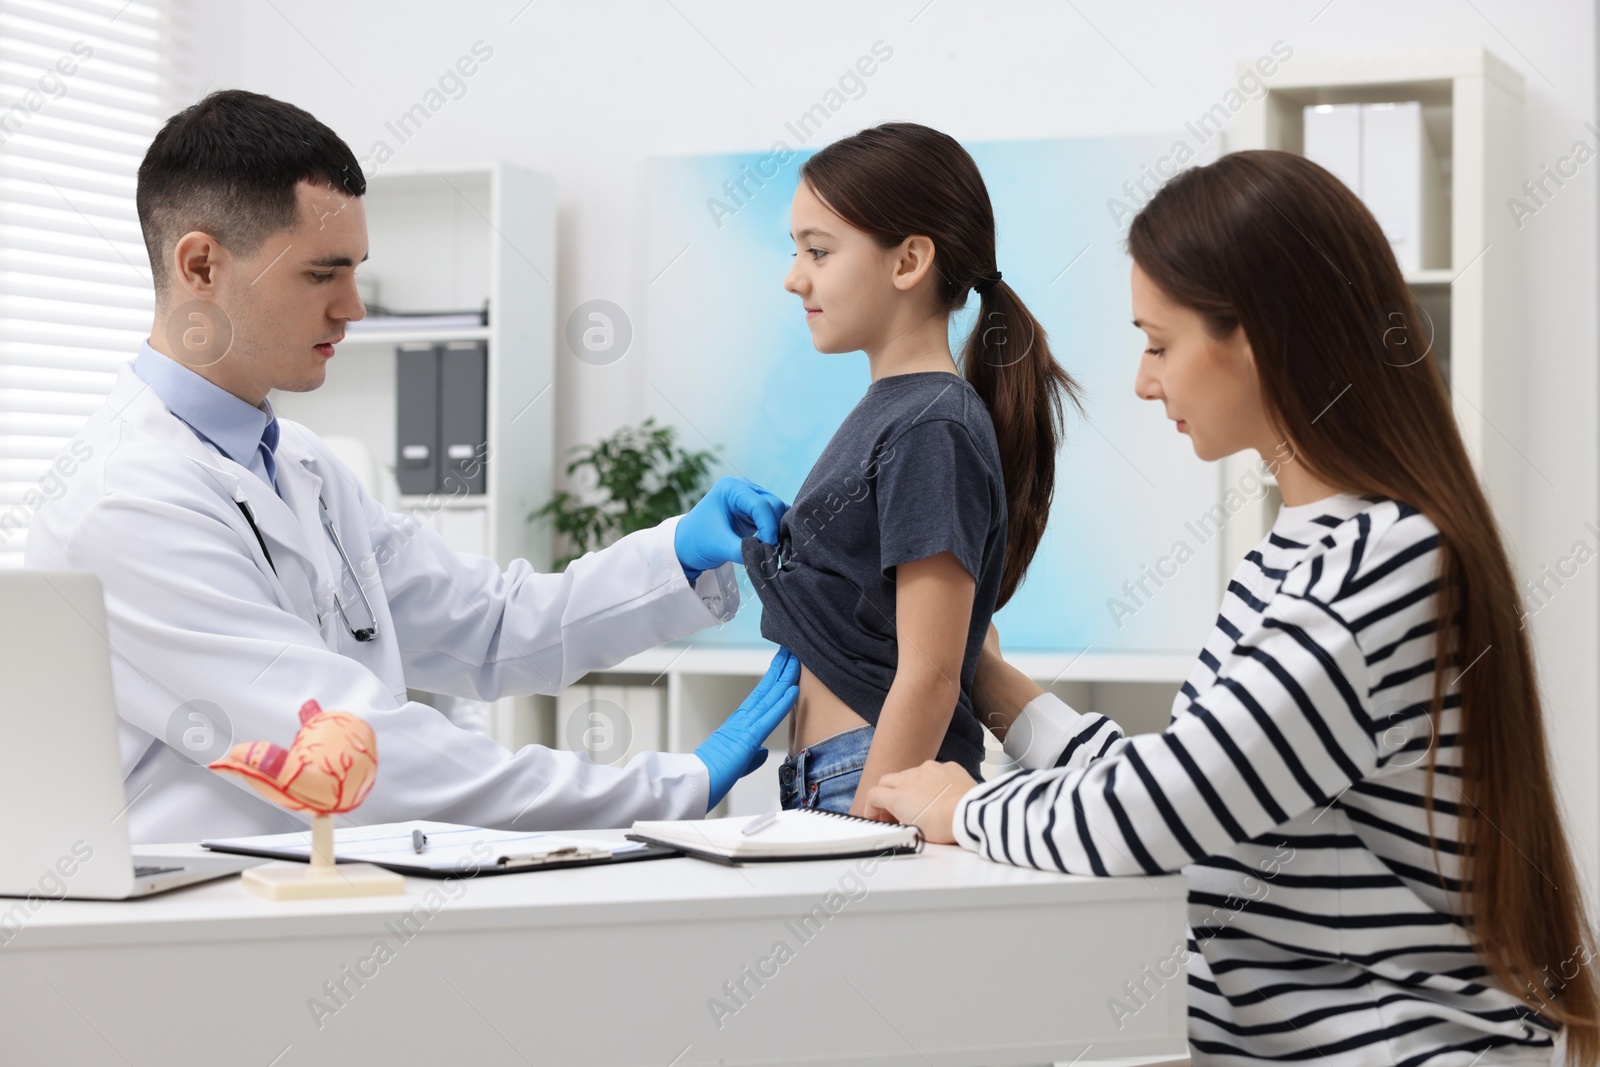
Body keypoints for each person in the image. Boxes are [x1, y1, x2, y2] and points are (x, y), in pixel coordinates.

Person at [868, 150, 1599, 1064]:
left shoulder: (1381, 570)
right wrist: (996, 687)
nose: (1143, 381)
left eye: (1159, 342)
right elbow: (1207, 785)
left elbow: (1160, 813)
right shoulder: (1301, 551)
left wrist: (964, 805)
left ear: (1252, 336)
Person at [25, 89, 798, 844]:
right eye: (321, 274)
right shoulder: (123, 502)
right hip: (193, 942)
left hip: (308, 903)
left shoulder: (302, 467)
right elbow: (353, 756)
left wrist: (674, 555)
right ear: (200, 265)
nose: (354, 308)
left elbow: (491, 628)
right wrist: (666, 786)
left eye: (356, 270)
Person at [742, 123, 1080, 818]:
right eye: (795, 250)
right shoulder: (902, 412)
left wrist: (863, 835)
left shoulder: (931, 425)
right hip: (833, 774)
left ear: (909, 262)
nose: (793, 276)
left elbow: (929, 674)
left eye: (818, 251)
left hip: (870, 780)